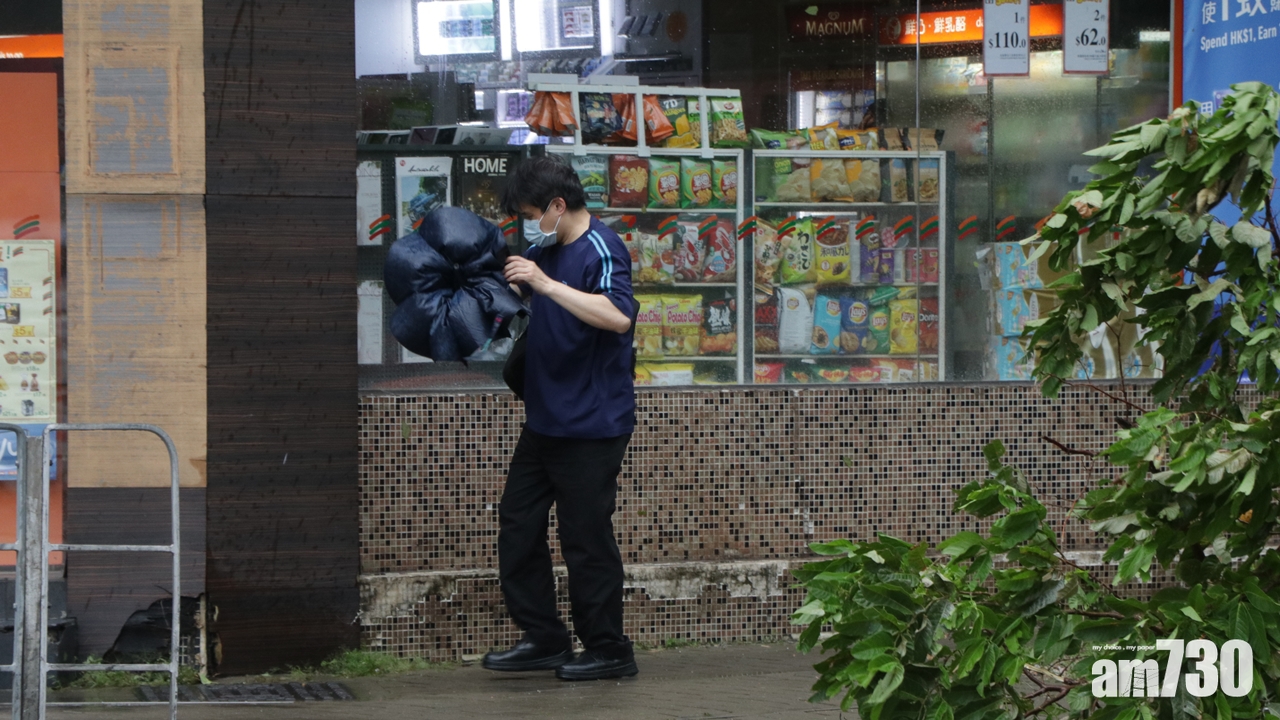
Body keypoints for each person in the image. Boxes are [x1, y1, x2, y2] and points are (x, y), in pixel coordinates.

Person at [482, 155, 638, 681]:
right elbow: (515, 296)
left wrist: (545, 285)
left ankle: (609, 649)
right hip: (544, 419)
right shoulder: (541, 248)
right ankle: (545, 638)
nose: (530, 222)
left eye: (531, 212)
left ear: (556, 205)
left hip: (592, 424)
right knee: (518, 526)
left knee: (584, 538)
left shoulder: (603, 247)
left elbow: (617, 317)